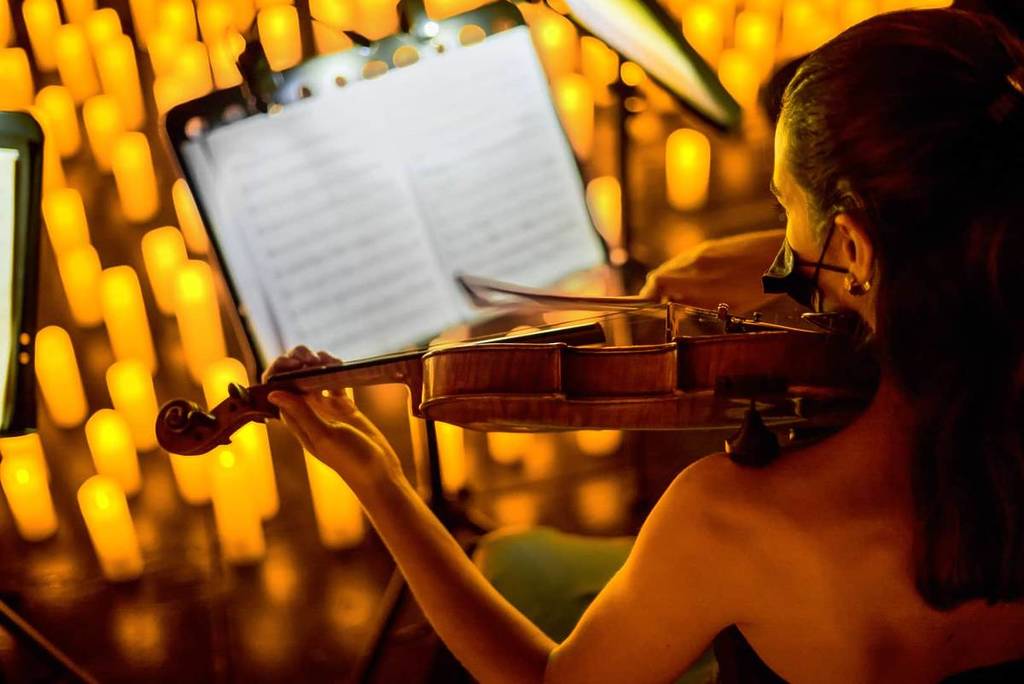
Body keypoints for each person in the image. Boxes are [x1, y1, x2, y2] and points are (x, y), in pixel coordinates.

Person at [264, 9, 1024, 682]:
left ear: (854, 249)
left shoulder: (728, 522)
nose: (780, 254)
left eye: (786, 211)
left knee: (513, 558)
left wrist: (379, 481)